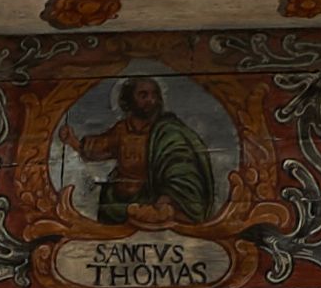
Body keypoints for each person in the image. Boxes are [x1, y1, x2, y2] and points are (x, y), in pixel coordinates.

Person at [69, 78, 218, 224]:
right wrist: (72, 141)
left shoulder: (168, 131)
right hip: (119, 203)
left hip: (151, 198)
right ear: (128, 100)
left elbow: (181, 166)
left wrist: (167, 198)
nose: (151, 100)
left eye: (155, 95)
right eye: (143, 95)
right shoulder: (122, 129)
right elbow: (97, 148)